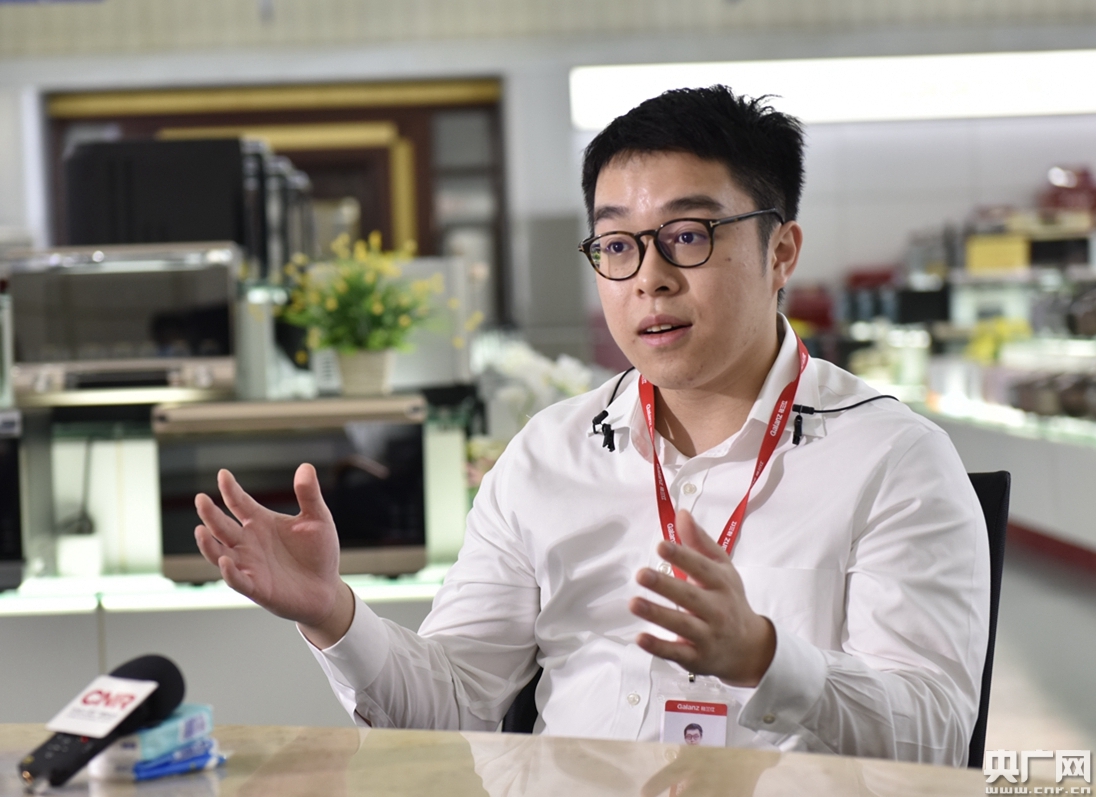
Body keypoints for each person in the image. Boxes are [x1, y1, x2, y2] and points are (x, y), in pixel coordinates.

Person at [194, 85, 989, 765]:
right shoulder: (548, 454)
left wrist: (765, 656)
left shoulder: (893, 458)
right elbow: (454, 706)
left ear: (781, 252)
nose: (649, 278)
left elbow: (937, 735)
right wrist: (333, 613)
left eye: (688, 235)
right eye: (616, 245)